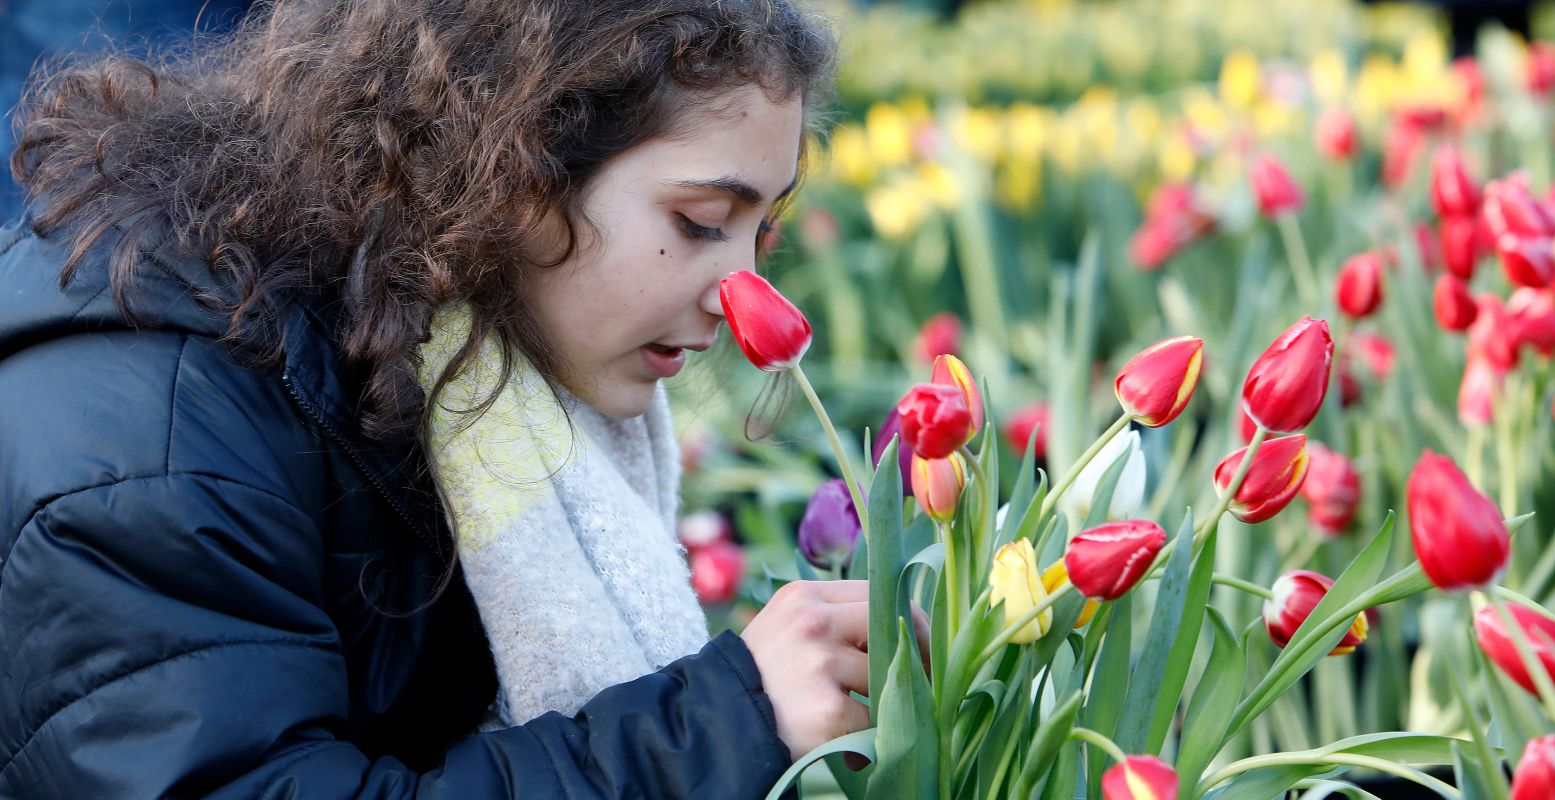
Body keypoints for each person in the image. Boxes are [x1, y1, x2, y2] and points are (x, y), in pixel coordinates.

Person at [0, 1, 924, 796]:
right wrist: (718, 725)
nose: (743, 294)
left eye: (762, 229)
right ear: (514, 170)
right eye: (700, 223)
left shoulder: (446, 340)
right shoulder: (158, 422)